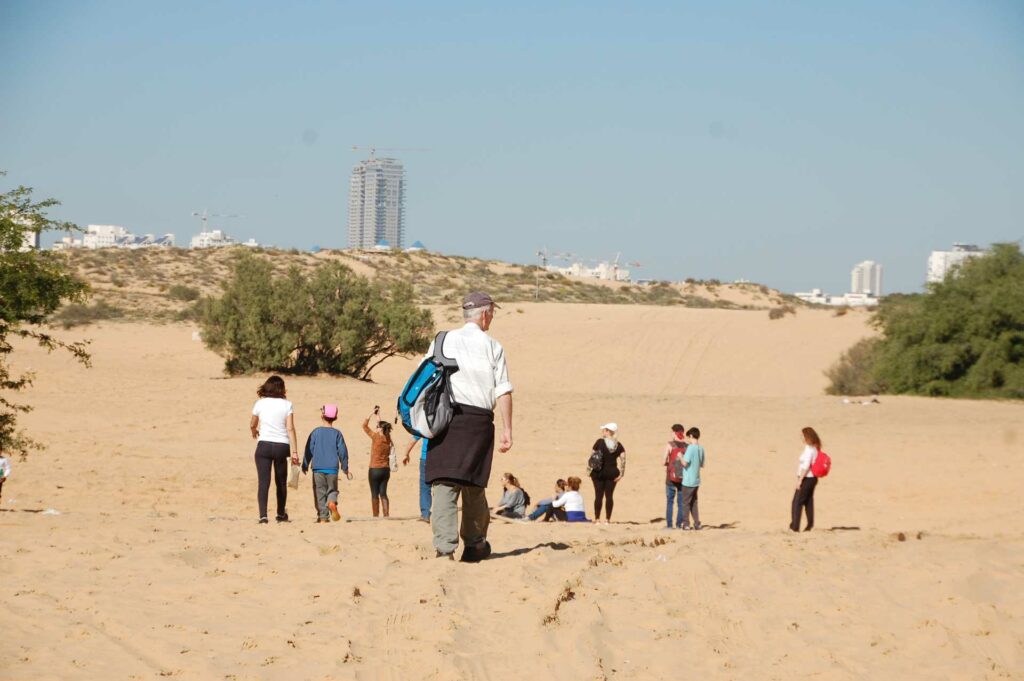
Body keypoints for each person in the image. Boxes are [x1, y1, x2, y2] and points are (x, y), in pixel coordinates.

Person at [425, 291, 513, 562]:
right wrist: (508, 429)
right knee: (474, 485)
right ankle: (474, 545)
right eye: (492, 314)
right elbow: (503, 392)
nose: (492, 319)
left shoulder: (442, 339)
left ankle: (444, 549)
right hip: (478, 421)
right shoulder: (493, 346)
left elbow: (424, 377)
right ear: (485, 314)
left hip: (445, 418)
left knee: (444, 484)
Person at [249, 375, 298, 524]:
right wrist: (295, 451)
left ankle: (263, 516)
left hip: (263, 445)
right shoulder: (287, 404)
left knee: (264, 482)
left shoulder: (260, 403)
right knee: (281, 482)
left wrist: (254, 433)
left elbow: (252, 424)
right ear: (281, 389)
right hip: (282, 446)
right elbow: (290, 428)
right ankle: (280, 514)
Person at [302, 404, 353, 523]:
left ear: (322, 415)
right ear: (335, 417)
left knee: (320, 492)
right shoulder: (337, 433)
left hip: (318, 468)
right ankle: (331, 502)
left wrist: (305, 464)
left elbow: (309, 449)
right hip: (332, 469)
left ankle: (323, 517)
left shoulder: (316, 432)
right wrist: (345, 467)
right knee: (332, 490)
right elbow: (343, 451)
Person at [589, 423, 625, 523]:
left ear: (608, 431)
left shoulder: (599, 442)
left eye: (604, 430)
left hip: (598, 473)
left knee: (598, 495)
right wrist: (621, 474)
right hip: (612, 473)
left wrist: (589, 471)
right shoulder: (619, 445)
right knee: (609, 496)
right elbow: (623, 460)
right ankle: (607, 520)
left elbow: (592, 457)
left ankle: (597, 519)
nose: (602, 432)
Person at [363, 407, 394, 518]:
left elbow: (364, 426)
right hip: (385, 470)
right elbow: (382, 426)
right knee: (383, 493)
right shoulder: (388, 438)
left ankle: (375, 515)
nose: (376, 428)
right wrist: (378, 416)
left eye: (377, 427)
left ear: (380, 429)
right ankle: (386, 514)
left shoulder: (375, 437)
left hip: (374, 469)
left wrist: (370, 414)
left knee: (374, 494)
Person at [791, 426, 822, 532]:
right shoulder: (813, 448)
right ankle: (809, 524)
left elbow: (807, 465)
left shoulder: (809, 449)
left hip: (807, 478)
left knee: (797, 502)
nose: (801, 437)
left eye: (802, 435)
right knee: (808, 501)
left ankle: (795, 526)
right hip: (811, 478)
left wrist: (800, 480)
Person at [680, 426, 705, 530]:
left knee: (685, 503)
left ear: (691, 435)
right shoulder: (701, 448)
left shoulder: (690, 448)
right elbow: (702, 464)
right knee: (694, 503)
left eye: (688, 437)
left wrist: (680, 456)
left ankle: (686, 524)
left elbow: (685, 463)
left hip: (688, 480)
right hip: (696, 480)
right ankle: (697, 523)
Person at [664, 424, 688, 529]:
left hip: (670, 478)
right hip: (683, 478)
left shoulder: (670, 445)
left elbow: (663, 460)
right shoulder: (687, 446)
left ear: (674, 432)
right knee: (681, 503)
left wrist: (668, 464)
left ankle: (669, 525)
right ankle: (678, 525)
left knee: (670, 502)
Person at [403, 436, 431, 522]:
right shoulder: (444, 423)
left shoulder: (425, 424)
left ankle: (425, 514)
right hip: (441, 460)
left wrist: (406, 454)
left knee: (425, 487)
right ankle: (441, 513)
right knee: (440, 487)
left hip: (425, 458)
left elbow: (414, 439)